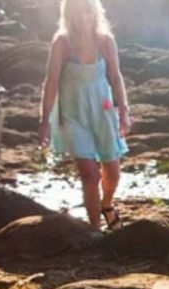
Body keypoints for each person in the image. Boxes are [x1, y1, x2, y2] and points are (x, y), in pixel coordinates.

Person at [38, 0, 131, 230]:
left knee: (113, 170)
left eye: (88, 10)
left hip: (103, 110)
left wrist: (124, 112)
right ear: (69, 14)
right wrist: (45, 121)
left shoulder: (105, 41)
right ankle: (95, 230)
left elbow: (116, 77)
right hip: (72, 114)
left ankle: (107, 205)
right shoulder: (62, 43)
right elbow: (51, 82)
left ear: (96, 12)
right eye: (78, 11)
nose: (84, 16)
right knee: (90, 175)